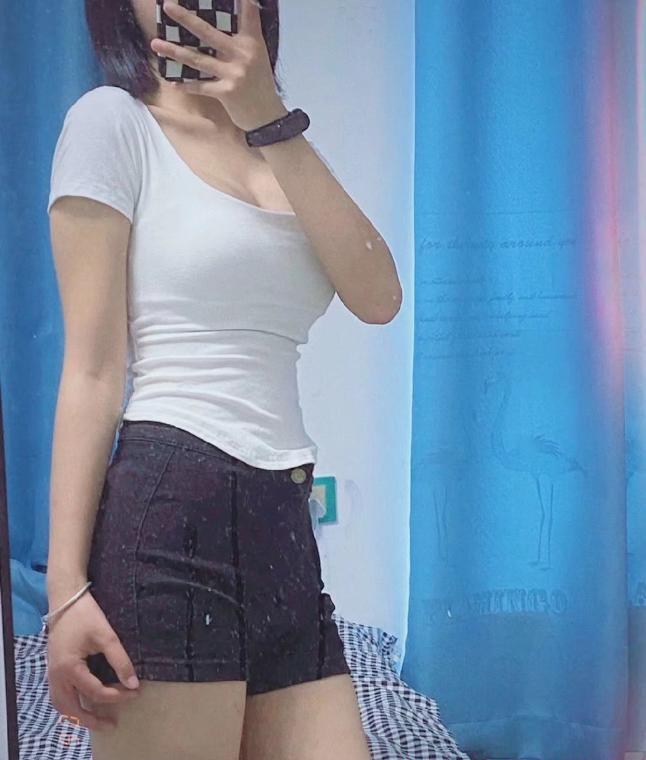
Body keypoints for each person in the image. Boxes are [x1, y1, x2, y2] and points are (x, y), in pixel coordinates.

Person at [44, 0, 402, 758]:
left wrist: (268, 114)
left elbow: (379, 297)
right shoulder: (112, 123)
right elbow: (94, 369)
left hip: (285, 526)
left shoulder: (280, 144)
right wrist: (65, 590)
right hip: (172, 510)